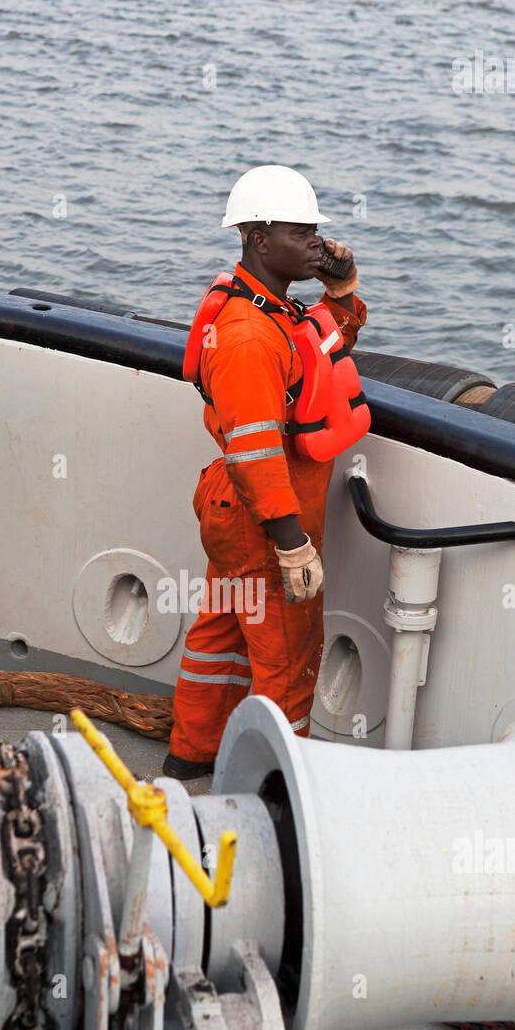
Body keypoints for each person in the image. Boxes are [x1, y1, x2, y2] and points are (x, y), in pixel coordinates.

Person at [163, 165, 367, 779]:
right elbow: (255, 451)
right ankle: (276, 789)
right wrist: (292, 544)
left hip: (237, 509)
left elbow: (329, 350)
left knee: (221, 640)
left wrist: (343, 285)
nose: (316, 243)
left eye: (317, 232)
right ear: (258, 239)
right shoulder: (250, 335)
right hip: (262, 515)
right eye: (301, 232)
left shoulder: (272, 309)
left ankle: (190, 759)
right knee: (288, 658)